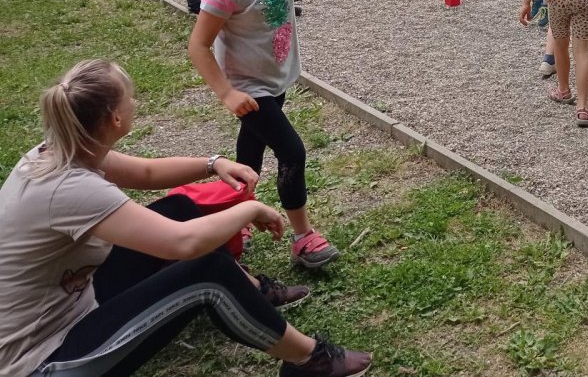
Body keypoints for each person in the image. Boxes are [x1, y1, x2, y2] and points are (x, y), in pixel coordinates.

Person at [0, 59, 371, 377]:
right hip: (43, 361)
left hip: (72, 307)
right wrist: (250, 208)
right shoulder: (72, 189)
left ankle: (252, 292)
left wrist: (213, 163)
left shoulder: (61, 150)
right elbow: (184, 243)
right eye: (130, 97)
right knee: (208, 272)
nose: (135, 102)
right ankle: (310, 361)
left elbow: (145, 173)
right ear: (115, 118)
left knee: (179, 208)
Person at [189, 0, 348, 270]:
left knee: (251, 147)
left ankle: (236, 215)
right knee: (292, 153)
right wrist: (227, 93)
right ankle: (303, 237)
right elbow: (198, 45)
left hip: (276, 78)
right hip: (248, 86)